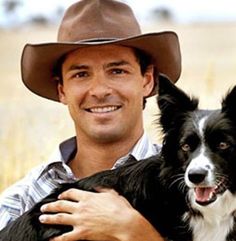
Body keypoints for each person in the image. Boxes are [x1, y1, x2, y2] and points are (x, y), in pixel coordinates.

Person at [0, 0, 181, 240]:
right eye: (81, 74)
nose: (99, 90)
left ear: (147, 80)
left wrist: (138, 234)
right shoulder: (21, 201)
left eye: (117, 71)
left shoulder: (198, 187)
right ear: (62, 90)